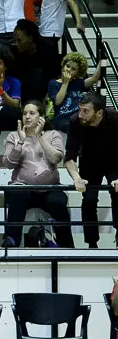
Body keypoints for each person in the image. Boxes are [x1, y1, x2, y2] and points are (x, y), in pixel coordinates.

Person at [2, 100, 73, 247]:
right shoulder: (13, 136)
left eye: (32, 113)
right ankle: (12, 240)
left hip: (50, 188)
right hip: (22, 188)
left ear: (41, 117)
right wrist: (21, 142)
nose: (27, 117)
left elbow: (55, 158)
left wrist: (39, 136)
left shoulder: (53, 135)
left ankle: (66, 246)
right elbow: (9, 164)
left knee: (58, 203)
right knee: (17, 194)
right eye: (24, 113)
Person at [65, 91, 118, 249]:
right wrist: (76, 177)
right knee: (88, 200)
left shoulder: (116, 119)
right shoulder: (75, 121)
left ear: (99, 112)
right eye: (80, 109)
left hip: (115, 161)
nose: (81, 114)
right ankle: (92, 243)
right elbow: (69, 156)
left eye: (86, 111)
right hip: (89, 161)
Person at [48, 53, 102, 132]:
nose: (69, 70)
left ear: (77, 74)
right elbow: (57, 102)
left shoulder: (78, 82)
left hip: (79, 117)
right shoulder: (53, 83)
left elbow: (94, 78)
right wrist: (65, 83)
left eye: (73, 69)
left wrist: (101, 61)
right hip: (62, 119)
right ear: (63, 66)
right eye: (67, 66)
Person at [11, 19, 59, 104]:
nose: (16, 43)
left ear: (30, 38)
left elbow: (54, 76)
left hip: (44, 92)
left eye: (19, 40)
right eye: (15, 40)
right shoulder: (14, 51)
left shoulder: (48, 49)